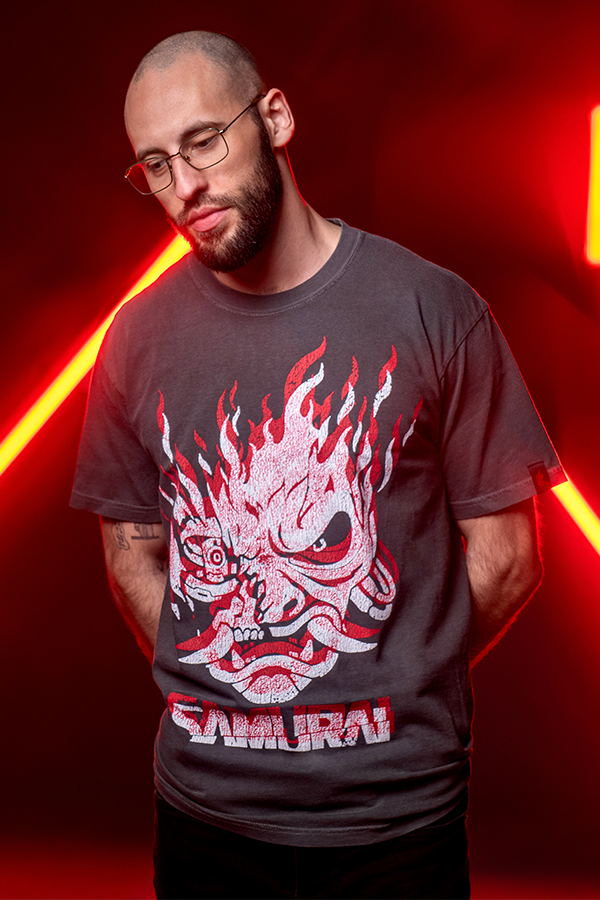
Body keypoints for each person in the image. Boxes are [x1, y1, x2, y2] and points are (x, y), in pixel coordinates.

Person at [71, 30, 565, 900]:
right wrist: (227, 670)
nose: (184, 186)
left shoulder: (434, 308)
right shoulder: (135, 340)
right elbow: (131, 554)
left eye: (202, 142)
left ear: (275, 118)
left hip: (398, 828)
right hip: (205, 822)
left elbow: (509, 556)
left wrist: (395, 673)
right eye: (155, 164)